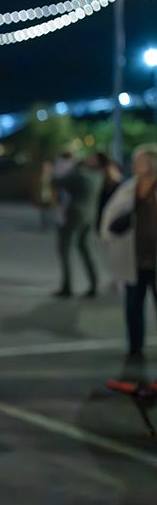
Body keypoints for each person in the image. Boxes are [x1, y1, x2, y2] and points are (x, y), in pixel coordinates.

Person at [101, 144, 157, 368]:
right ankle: (135, 347)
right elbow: (110, 215)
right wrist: (107, 236)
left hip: (154, 257)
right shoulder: (129, 188)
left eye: (139, 161)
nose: (135, 165)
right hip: (133, 257)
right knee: (133, 305)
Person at [52, 153, 103, 298]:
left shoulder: (79, 175)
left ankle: (67, 286)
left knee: (64, 249)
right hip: (89, 215)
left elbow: (57, 182)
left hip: (74, 214)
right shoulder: (98, 175)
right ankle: (94, 283)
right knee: (85, 248)